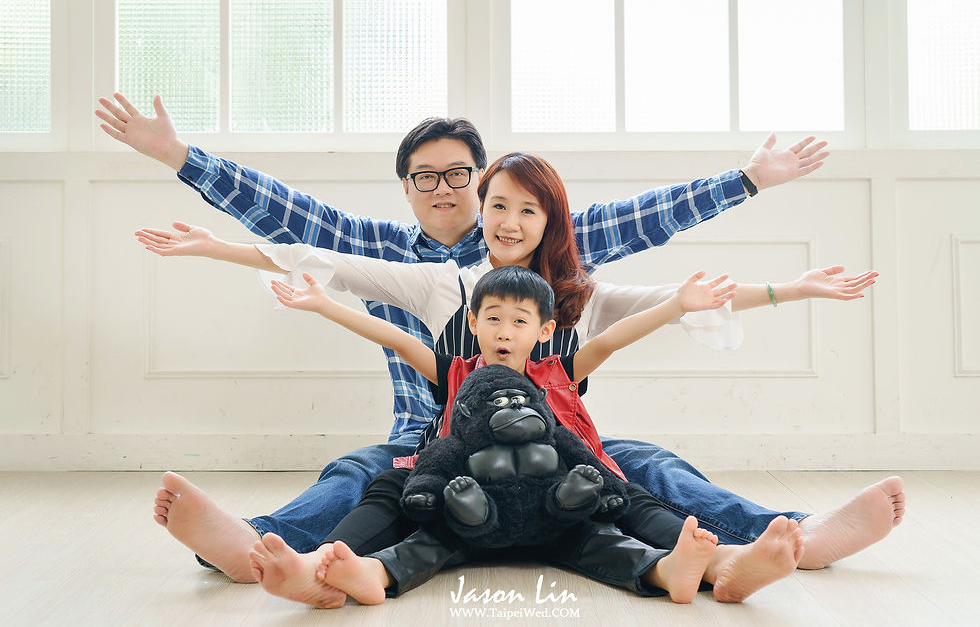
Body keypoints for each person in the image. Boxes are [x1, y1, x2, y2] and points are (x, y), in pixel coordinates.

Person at [141, 150, 903, 590]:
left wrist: (794, 286)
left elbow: (681, 299)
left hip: (566, 456)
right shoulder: (443, 285)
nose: (509, 222)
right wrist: (218, 247)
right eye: (498, 205)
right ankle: (255, 545)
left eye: (528, 211)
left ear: (549, 221)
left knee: (648, 464)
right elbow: (331, 266)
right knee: (363, 470)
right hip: (441, 448)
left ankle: (790, 536)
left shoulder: (579, 300)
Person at [242, 264, 808, 607]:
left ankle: (714, 564)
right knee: (389, 488)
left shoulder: (558, 372)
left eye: (519, 321)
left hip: (560, 502)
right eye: (492, 317)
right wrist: (324, 305)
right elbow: (394, 337)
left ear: (544, 330)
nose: (504, 331)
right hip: (470, 504)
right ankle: (323, 563)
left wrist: (676, 305)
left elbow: (612, 340)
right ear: (473, 323)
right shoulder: (456, 371)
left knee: (629, 497)